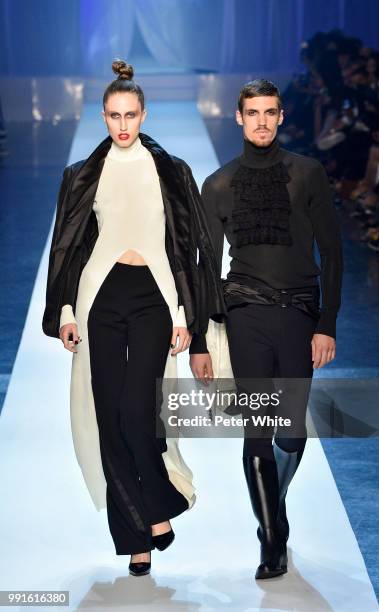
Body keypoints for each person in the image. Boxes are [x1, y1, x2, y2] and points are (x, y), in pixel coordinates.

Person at [42, 59, 226, 576]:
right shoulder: (81, 176)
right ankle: (136, 538)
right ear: (103, 117)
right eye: (113, 116)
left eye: (130, 115)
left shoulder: (170, 171)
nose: (122, 125)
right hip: (100, 294)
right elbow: (69, 248)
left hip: (153, 296)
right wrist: (67, 311)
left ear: (144, 115)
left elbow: (190, 246)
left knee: (136, 409)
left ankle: (160, 501)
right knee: (109, 414)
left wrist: (185, 313)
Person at [190, 79, 343, 580]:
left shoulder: (308, 174)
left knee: (293, 431)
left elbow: (334, 253)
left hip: (300, 313)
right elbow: (205, 265)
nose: (261, 120)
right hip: (246, 313)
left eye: (269, 112)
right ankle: (272, 540)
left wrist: (327, 324)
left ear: (281, 117)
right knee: (257, 431)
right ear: (238, 117)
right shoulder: (218, 184)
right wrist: (198, 339)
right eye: (252, 112)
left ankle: (270, 507)